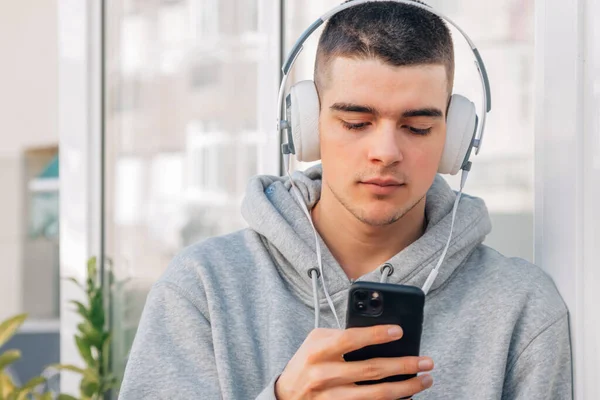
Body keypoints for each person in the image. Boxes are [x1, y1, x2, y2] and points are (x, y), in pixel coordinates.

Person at [119, 1, 572, 399]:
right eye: (356, 122)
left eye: (417, 127)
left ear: (455, 142)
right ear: (307, 127)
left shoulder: (522, 307)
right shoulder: (204, 288)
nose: (386, 153)